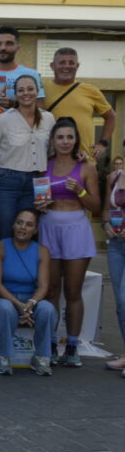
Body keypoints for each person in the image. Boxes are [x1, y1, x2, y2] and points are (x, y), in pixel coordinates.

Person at [40, 118, 100, 367]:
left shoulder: (87, 167)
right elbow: (38, 197)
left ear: (76, 140)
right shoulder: (45, 165)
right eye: (60, 137)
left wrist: (81, 192)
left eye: (69, 137)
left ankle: (73, 345)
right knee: (51, 290)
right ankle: (51, 343)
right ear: (53, 140)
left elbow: (96, 207)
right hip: (49, 228)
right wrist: (39, 205)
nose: (65, 142)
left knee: (73, 291)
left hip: (76, 228)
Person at [0, 209, 56, 376]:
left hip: (29, 301)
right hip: (1, 299)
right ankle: (4, 357)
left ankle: (41, 357)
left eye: (29, 224)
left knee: (47, 308)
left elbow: (43, 286)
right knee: (5, 308)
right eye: (19, 222)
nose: (23, 227)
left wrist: (30, 304)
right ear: (13, 225)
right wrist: (19, 305)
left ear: (35, 230)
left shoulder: (42, 251)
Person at [0, 75, 54, 242]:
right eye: (21, 90)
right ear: (15, 94)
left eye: (30, 89)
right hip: (5, 182)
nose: (26, 93)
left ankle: (22, 268)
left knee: (28, 234)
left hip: (35, 182)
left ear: (37, 91)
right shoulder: (2, 120)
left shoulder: (48, 119)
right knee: (3, 231)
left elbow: (52, 153)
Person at [42, 47, 116, 163]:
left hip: (84, 161)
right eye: (62, 62)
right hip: (51, 160)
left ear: (77, 66)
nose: (67, 66)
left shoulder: (91, 90)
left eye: (71, 63)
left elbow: (111, 116)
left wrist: (103, 144)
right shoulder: (41, 90)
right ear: (52, 66)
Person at [0, 26, 45, 116]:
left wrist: (15, 105)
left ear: (17, 47)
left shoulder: (32, 74)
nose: (3, 48)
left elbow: (41, 109)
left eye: (9, 43)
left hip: (21, 128)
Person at [103, 159, 125, 374]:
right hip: (116, 246)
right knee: (119, 302)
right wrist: (106, 224)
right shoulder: (114, 177)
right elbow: (106, 211)